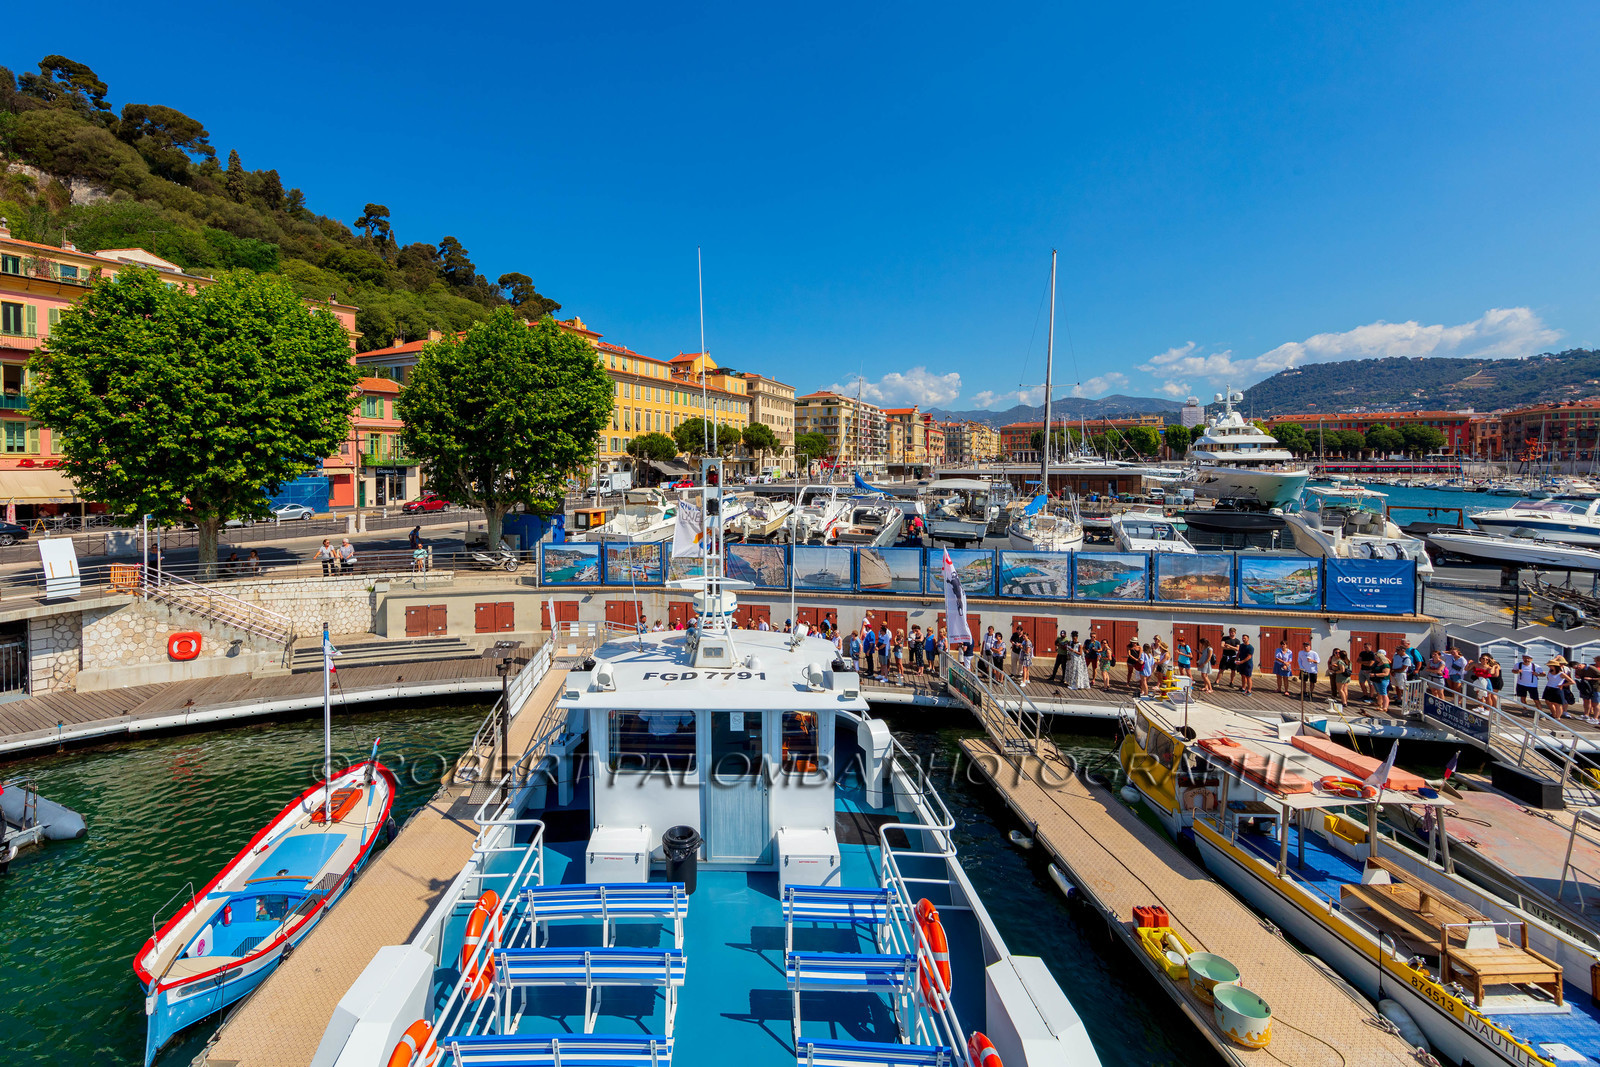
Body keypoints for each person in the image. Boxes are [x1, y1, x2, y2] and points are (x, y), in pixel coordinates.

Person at [1370, 649, 1392, 714]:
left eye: (1377, 658)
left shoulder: (1385, 665)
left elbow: (1386, 673)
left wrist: (1374, 675)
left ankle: (1385, 707)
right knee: (1380, 693)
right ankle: (1380, 704)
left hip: (1383, 680)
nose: (1376, 659)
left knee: (1384, 693)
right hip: (1377, 680)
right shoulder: (1378, 663)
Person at [1584, 657, 1600, 724]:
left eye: (1596, 661)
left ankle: (1596, 718)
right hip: (1590, 686)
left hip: (1597, 688)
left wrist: (1591, 678)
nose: (1595, 662)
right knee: (1588, 701)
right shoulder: (1592, 666)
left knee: (1596, 703)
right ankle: (1587, 715)